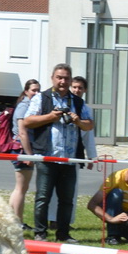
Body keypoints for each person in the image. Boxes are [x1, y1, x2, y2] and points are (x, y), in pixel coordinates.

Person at [22, 62, 90, 242]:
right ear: (52, 78)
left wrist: (78, 121)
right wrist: (50, 117)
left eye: (66, 78)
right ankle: (40, 233)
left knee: (67, 199)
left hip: (69, 159)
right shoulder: (41, 98)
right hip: (46, 156)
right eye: (59, 77)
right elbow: (27, 121)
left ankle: (63, 233)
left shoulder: (77, 101)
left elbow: (89, 125)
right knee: (43, 197)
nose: (63, 81)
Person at [88, 163, 128, 244]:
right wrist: (111, 219)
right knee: (116, 194)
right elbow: (92, 204)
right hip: (112, 211)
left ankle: (124, 230)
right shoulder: (115, 177)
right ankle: (113, 235)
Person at [8, 78, 40, 229]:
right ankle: (18, 222)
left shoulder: (27, 105)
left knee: (20, 187)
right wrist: (29, 155)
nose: (36, 93)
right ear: (26, 91)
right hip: (21, 149)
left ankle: (11, 220)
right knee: (21, 187)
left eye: (38, 90)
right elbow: (22, 132)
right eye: (33, 90)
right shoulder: (24, 106)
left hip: (22, 149)